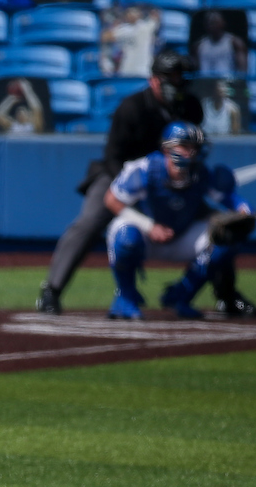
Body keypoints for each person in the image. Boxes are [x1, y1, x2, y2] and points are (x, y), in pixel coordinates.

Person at [37, 49, 203, 314]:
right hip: (120, 173)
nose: (177, 83)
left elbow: (195, 151)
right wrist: (133, 187)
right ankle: (51, 290)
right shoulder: (133, 107)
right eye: (171, 77)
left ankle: (226, 294)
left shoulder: (192, 107)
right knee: (90, 221)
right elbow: (113, 156)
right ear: (154, 80)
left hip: (171, 177)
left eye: (181, 77)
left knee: (216, 222)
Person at [103, 121, 256, 319]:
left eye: (195, 147)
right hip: (146, 236)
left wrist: (246, 210)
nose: (191, 152)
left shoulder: (201, 174)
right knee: (125, 236)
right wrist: (149, 226)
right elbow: (111, 200)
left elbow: (232, 200)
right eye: (185, 146)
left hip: (182, 235)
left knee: (226, 237)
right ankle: (125, 297)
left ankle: (181, 295)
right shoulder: (146, 168)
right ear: (166, 149)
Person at [100, 7, 160, 77]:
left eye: (134, 12)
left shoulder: (146, 27)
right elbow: (105, 37)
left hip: (144, 70)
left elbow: (155, 17)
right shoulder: (125, 29)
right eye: (129, 13)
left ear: (139, 14)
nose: (131, 15)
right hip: (128, 69)